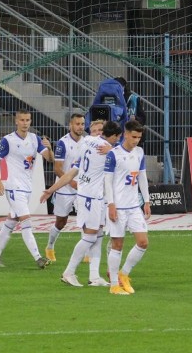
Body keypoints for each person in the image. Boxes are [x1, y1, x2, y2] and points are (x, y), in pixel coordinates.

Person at [40, 120, 120, 287]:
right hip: (91, 197)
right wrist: (112, 150)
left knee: (97, 236)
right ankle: (69, 272)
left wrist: (51, 189)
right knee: (90, 236)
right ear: (113, 136)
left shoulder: (86, 142)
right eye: (117, 138)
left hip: (89, 195)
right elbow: (125, 161)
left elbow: (71, 173)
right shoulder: (108, 150)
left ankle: (94, 276)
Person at [0, 108, 54, 268]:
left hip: (27, 187)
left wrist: (49, 148)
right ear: (16, 121)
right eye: (22, 120)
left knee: (12, 221)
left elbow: (50, 159)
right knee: (26, 221)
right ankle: (38, 258)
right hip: (13, 187)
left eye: (28, 120)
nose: (25, 123)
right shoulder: (8, 140)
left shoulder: (34, 139)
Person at [105, 119, 149, 295]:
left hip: (133, 206)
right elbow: (107, 181)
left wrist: (147, 201)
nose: (136, 140)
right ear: (125, 134)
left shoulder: (139, 152)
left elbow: (142, 177)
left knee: (143, 242)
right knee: (117, 245)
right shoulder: (114, 154)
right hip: (118, 206)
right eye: (133, 137)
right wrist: (111, 204)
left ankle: (124, 274)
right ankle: (114, 285)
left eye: (139, 137)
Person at [44, 112, 86, 264]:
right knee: (61, 221)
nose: (80, 127)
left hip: (82, 188)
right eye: (77, 124)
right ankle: (49, 246)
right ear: (70, 125)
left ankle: (86, 251)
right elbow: (57, 169)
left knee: (86, 219)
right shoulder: (63, 143)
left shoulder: (87, 142)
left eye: (82, 124)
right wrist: (71, 182)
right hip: (65, 188)